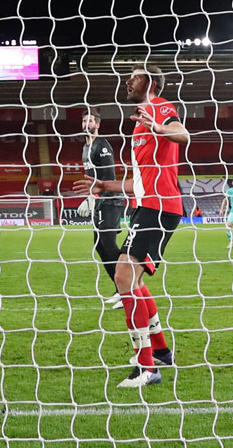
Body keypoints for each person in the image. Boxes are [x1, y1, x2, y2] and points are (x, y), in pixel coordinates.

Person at [75, 64, 188, 388]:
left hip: (161, 207)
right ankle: (161, 350)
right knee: (132, 280)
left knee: (124, 276)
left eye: (135, 76)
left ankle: (146, 367)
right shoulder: (138, 127)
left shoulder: (160, 107)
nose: (128, 80)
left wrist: (159, 126)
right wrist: (103, 185)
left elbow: (183, 134)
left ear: (149, 82)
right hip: (144, 207)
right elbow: (138, 181)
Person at [76, 107, 124, 308]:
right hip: (99, 200)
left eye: (91, 121)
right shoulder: (86, 148)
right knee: (100, 245)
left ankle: (129, 286)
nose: (87, 124)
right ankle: (120, 288)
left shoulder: (101, 145)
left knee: (109, 244)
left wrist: (93, 196)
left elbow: (109, 177)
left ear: (98, 124)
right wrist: (91, 196)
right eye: (84, 120)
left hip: (110, 200)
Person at [219, 179, 233, 249]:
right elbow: (225, 200)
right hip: (232, 211)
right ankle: (231, 241)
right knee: (228, 225)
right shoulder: (230, 191)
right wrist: (222, 209)